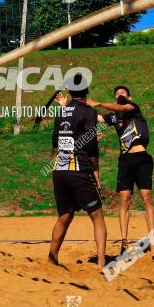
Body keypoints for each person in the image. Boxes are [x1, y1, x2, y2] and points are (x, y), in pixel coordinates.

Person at [88, 85, 154, 260]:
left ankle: (152, 243)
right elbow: (95, 117)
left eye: (122, 93)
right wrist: (75, 105)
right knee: (124, 201)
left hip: (142, 158)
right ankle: (124, 243)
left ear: (129, 97)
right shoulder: (114, 116)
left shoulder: (133, 108)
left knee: (146, 198)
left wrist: (97, 102)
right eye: (117, 94)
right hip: (125, 161)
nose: (119, 95)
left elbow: (120, 107)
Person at [49, 75, 107, 269]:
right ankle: (101, 263)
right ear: (86, 91)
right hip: (79, 168)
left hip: (59, 169)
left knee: (65, 215)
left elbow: (55, 143)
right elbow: (91, 147)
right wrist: (96, 171)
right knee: (97, 216)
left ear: (70, 92)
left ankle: (52, 258)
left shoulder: (61, 112)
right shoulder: (88, 111)